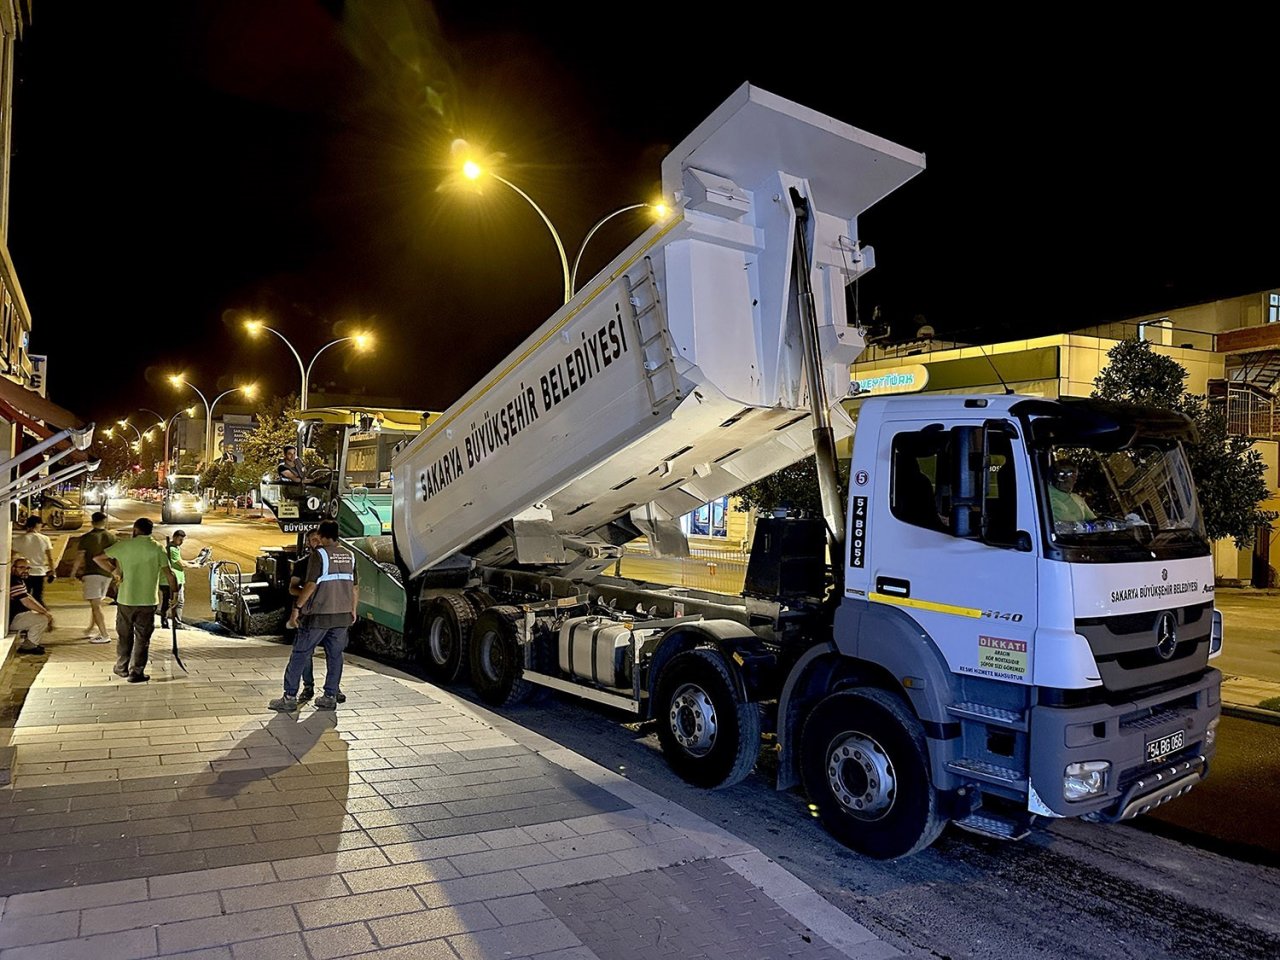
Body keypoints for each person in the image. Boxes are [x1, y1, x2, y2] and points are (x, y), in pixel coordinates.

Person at [270, 519, 357, 711]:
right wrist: (353, 609)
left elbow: (311, 584)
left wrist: (298, 607)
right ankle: (330, 696)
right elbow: (354, 586)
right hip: (342, 615)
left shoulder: (320, 555)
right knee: (335, 656)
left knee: (301, 653)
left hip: (319, 614)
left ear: (323, 535)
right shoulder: (349, 555)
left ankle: (290, 697)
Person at [95, 517, 177, 683]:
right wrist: (174, 595)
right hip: (148, 601)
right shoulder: (157, 549)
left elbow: (98, 558)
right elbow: (170, 574)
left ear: (135, 529)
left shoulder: (124, 545)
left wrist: (114, 571)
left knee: (124, 635)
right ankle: (136, 672)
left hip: (126, 599)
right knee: (142, 638)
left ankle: (121, 667)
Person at [288, 529, 346, 704]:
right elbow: (293, 587)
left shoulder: (335, 560)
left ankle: (333, 689)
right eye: (313, 540)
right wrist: (305, 597)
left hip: (330, 613)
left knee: (334, 653)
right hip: (309, 614)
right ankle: (308, 686)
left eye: (319, 539)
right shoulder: (303, 563)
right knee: (305, 653)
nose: (317, 543)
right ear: (308, 543)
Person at [72, 512, 116, 643]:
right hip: (107, 574)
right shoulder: (112, 537)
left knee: (96, 605)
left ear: (92, 522)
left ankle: (104, 634)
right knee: (96, 603)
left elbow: (80, 556)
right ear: (105, 521)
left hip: (92, 573)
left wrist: (73, 572)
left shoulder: (87, 537)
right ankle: (91, 628)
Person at [8, 557, 52, 655]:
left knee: (39, 616)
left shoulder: (18, 579)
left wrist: (43, 610)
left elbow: (28, 596)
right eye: (22, 567)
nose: (25, 570)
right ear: (13, 568)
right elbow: (26, 601)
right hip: (12, 619)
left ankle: (32, 643)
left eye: (27, 568)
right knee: (42, 619)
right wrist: (45, 613)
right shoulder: (14, 582)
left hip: (16, 615)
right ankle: (29, 646)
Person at [12, 515, 55, 604]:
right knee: (38, 596)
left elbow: (11, 557)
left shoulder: (18, 539)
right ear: (37, 525)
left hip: (23, 572)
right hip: (39, 572)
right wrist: (52, 571)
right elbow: (50, 558)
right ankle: (40, 613)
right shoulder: (45, 539)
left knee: (24, 596)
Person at [159, 529, 194, 628]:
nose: (181, 542)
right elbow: (180, 563)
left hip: (168, 580)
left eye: (182, 540)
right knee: (177, 602)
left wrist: (192, 562)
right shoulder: (172, 549)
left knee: (168, 602)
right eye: (180, 539)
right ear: (174, 537)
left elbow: (180, 560)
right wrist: (194, 565)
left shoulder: (173, 547)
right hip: (172, 580)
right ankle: (176, 623)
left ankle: (165, 622)